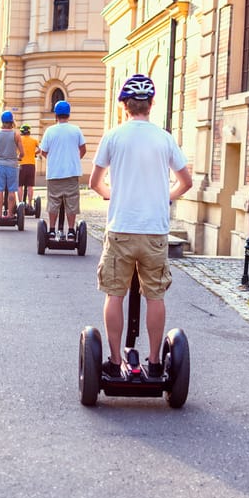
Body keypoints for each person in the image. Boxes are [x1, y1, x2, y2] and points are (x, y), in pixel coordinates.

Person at [88, 74, 193, 379]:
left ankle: (114, 359)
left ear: (124, 106)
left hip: (122, 228)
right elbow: (185, 181)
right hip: (155, 232)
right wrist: (165, 197)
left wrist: (113, 196)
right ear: (151, 105)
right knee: (155, 296)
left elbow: (96, 183)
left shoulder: (113, 136)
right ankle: (156, 361)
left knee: (114, 294)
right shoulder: (164, 138)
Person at [38, 100, 86, 240]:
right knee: (72, 202)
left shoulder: (50, 131)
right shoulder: (76, 130)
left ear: (56, 115)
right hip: (72, 173)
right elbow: (83, 149)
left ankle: (52, 230)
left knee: (53, 201)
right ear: (68, 114)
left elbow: (43, 151)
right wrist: (73, 159)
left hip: (54, 173)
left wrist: (54, 158)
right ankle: (71, 231)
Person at [0, 110, 24, 217]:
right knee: (12, 190)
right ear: (12, 122)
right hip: (12, 165)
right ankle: (9, 214)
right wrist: (18, 157)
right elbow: (22, 153)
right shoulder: (16, 135)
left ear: (2, 121)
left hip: (1, 165)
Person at [18, 124, 39, 207]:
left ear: (21, 131)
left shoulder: (19, 140)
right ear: (29, 131)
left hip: (21, 165)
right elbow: (40, 149)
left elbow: (16, 151)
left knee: (19, 185)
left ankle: (20, 204)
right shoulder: (34, 140)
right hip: (31, 165)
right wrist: (34, 153)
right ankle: (30, 204)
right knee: (30, 186)